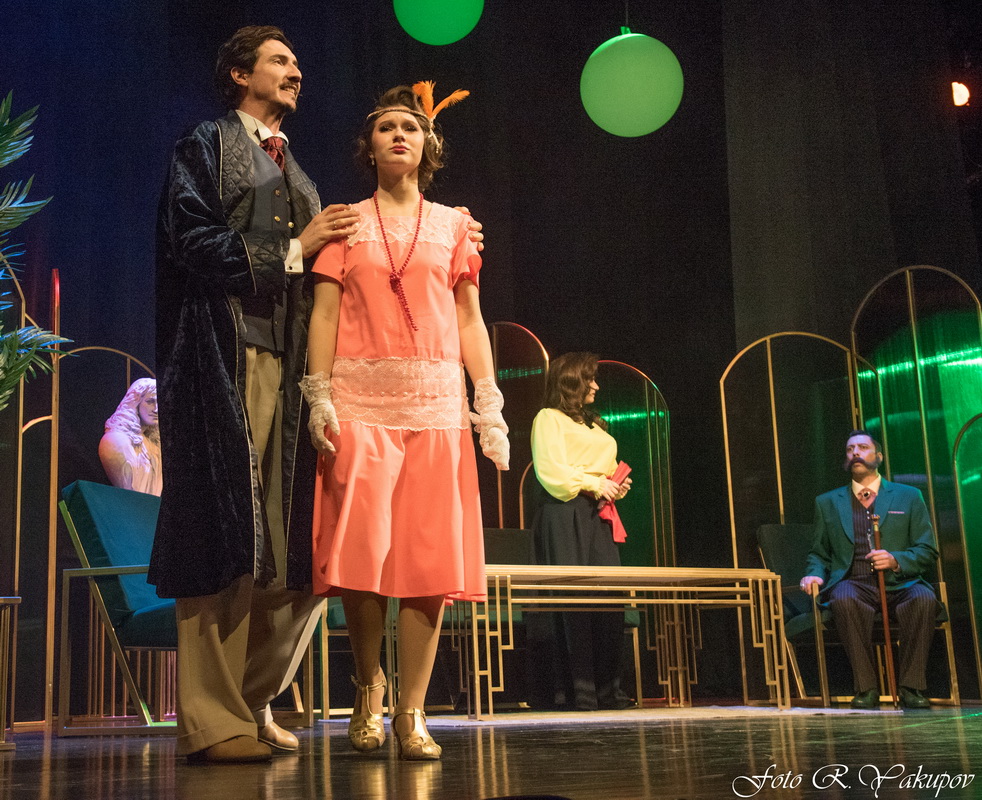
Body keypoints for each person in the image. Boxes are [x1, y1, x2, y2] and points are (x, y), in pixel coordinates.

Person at [149, 25, 362, 763]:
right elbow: (191, 243)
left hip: (292, 370)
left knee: (294, 545)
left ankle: (251, 699)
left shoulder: (297, 172)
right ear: (241, 74)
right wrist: (299, 246)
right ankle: (212, 721)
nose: (296, 70)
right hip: (222, 362)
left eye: (297, 60)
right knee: (225, 536)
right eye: (279, 60)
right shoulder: (204, 147)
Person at [300, 82, 508, 761]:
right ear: (369, 145)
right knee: (362, 559)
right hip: (360, 405)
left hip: (435, 408)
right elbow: (324, 313)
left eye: (410, 128)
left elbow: (470, 319)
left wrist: (488, 401)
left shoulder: (454, 226)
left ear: (428, 145)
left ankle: (413, 709)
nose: (398, 136)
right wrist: (318, 394)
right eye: (387, 127)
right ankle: (369, 688)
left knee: (426, 560)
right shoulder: (344, 222)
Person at [801, 430, 940, 709]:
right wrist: (814, 572)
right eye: (850, 449)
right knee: (843, 598)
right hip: (854, 582)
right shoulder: (827, 502)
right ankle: (866, 688)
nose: (855, 453)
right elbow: (819, 553)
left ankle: (910, 687)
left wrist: (896, 560)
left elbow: (928, 550)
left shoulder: (909, 496)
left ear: (879, 456)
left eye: (863, 447)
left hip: (901, 583)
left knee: (924, 599)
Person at [528, 352, 632, 711]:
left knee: (609, 597)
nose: (596, 386)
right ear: (572, 381)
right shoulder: (548, 419)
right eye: (590, 379)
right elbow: (552, 472)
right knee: (572, 598)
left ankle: (607, 689)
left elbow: (603, 470)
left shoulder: (594, 426)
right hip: (564, 511)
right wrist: (593, 482)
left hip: (596, 514)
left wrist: (614, 485)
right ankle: (577, 691)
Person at [99, 378, 162, 496]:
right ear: (135, 401)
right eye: (150, 402)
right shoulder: (116, 440)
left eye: (159, 403)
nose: (156, 409)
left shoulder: (154, 446)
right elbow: (131, 491)